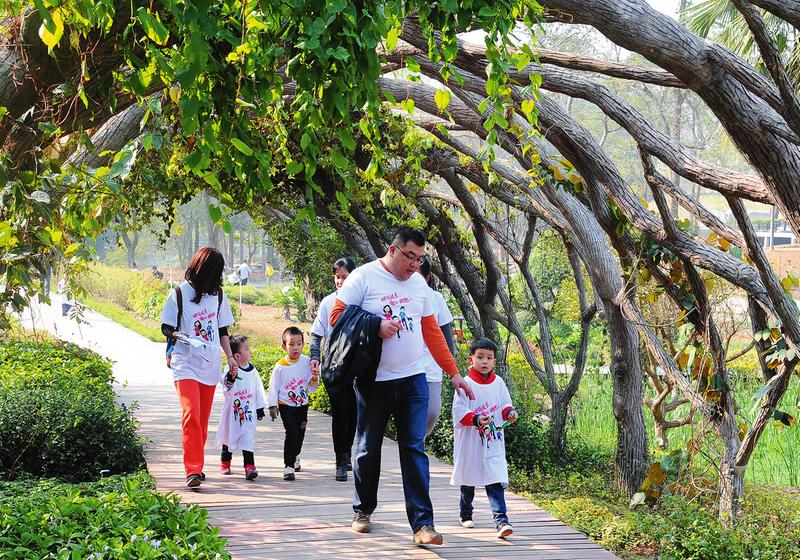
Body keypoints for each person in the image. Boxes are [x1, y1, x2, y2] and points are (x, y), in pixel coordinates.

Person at [329, 227, 475, 546]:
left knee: (414, 449)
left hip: (413, 379)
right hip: (374, 381)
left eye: (420, 258)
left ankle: (423, 525)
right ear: (393, 250)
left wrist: (453, 372)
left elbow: (431, 331)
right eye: (410, 256)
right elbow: (336, 318)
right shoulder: (364, 278)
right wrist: (374, 325)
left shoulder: (419, 285)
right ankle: (363, 510)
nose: (414, 264)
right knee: (368, 449)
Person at [160, 247, 236, 488]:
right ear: (202, 270)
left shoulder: (219, 295)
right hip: (185, 362)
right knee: (191, 414)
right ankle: (192, 470)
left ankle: (198, 465)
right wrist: (176, 334)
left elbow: (223, 330)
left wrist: (231, 358)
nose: (217, 277)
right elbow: (165, 326)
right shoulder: (179, 293)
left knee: (201, 422)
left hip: (209, 363)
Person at [451, 338, 518, 539]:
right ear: (471, 358)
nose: (484, 362)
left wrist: (510, 413)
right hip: (472, 440)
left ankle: (501, 521)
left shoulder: (498, 383)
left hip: (493, 441)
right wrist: (476, 418)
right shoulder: (465, 383)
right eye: (480, 357)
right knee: (468, 478)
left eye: (489, 358)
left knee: (495, 479)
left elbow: (505, 404)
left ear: (494, 361)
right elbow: (459, 411)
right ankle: (465, 513)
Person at [310, 257, 357, 482]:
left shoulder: (362, 301)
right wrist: (314, 357)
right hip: (335, 365)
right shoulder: (328, 302)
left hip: (358, 365)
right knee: (340, 413)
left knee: (355, 412)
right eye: (337, 277)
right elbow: (316, 333)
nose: (340, 281)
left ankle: (347, 452)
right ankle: (340, 459)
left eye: (344, 277)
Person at [266, 326, 319, 481]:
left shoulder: (307, 362)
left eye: (299, 343)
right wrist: (272, 405)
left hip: (302, 405)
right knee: (292, 433)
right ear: (284, 346)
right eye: (291, 344)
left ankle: (295, 456)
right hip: (286, 405)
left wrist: (315, 377)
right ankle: (288, 466)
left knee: (300, 433)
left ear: (303, 344)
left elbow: (312, 386)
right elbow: (273, 386)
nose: (295, 347)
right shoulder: (280, 366)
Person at [215, 335, 267, 480]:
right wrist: (231, 376)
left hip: (248, 413)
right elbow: (226, 385)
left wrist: (260, 407)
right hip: (232, 414)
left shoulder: (253, 371)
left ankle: (249, 466)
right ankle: (225, 461)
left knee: (248, 438)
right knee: (229, 436)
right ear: (237, 355)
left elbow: (258, 389)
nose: (250, 351)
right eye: (246, 349)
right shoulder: (230, 369)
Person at [418, 259, 457, 436]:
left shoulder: (436, 298)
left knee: (433, 411)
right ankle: (414, 449)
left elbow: (446, 335)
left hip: (432, 367)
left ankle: (419, 442)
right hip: (408, 367)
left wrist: (452, 369)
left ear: (427, 278)